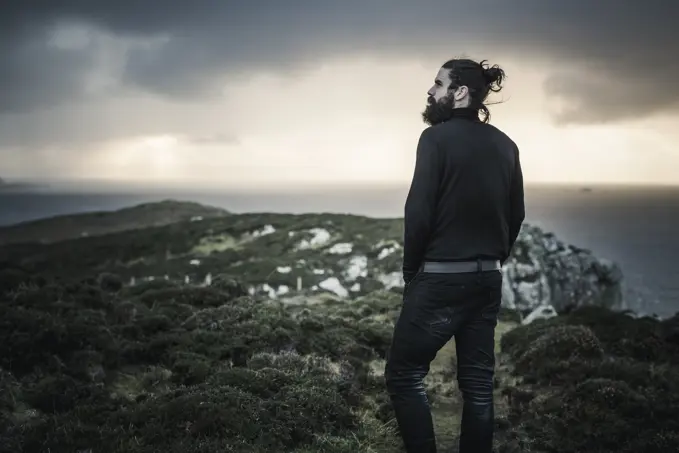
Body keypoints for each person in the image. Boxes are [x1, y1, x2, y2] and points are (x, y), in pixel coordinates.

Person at [384, 58, 525, 453]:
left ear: (460, 92)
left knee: (404, 375)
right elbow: (517, 215)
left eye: (438, 84)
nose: (431, 92)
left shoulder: (434, 139)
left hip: (440, 279)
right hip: (487, 280)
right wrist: (495, 261)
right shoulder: (506, 145)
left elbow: (419, 213)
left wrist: (412, 272)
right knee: (479, 385)